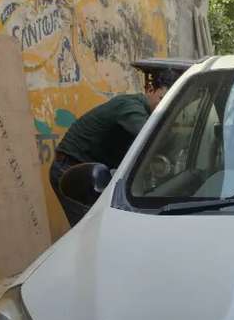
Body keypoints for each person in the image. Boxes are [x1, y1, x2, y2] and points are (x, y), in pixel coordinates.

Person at [49, 69, 177, 226]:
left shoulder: (148, 115)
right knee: (90, 229)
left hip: (94, 170)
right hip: (71, 170)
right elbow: (153, 138)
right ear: (150, 90)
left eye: (170, 105)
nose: (164, 107)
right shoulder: (131, 107)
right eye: (162, 99)